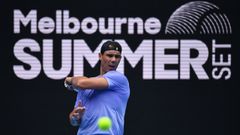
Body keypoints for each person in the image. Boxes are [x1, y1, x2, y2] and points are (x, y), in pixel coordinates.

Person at [64, 40, 130, 135]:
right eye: (109, 55)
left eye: (117, 56)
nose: (113, 60)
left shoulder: (119, 79)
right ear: (100, 56)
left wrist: (69, 80)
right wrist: (74, 117)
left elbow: (80, 83)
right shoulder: (86, 87)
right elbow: (74, 122)